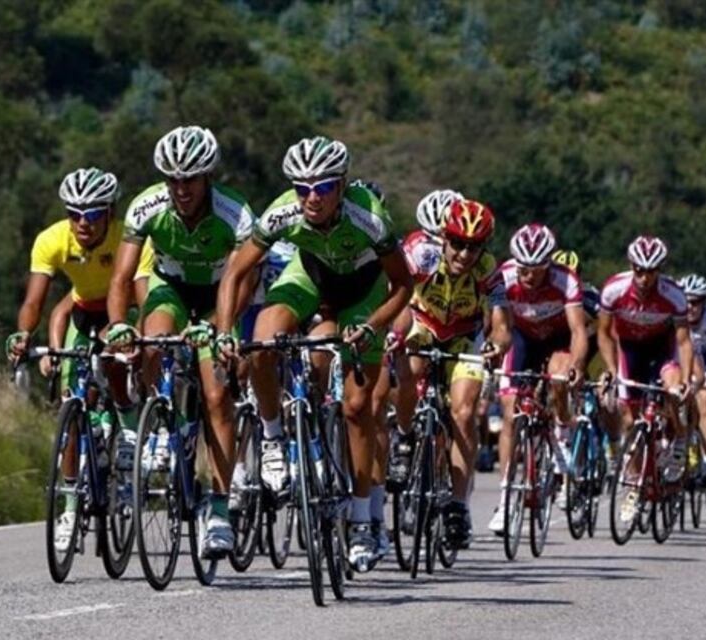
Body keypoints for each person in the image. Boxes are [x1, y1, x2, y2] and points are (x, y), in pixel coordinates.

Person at [215, 136, 414, 571]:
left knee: (359, 407)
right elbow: (237, 272)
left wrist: (372, 326)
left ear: (341, 185)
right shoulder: (283, 210)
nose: (311, 197)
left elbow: (404, 285)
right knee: (265, 339)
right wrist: (226, 331)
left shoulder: (369, 217)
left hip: (364, 295)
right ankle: (272, 439)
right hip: (310, 277)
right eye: (302, 188)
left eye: (321, 187)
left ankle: (363, 520)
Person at [105, 125, 255, 558]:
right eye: (172, 179)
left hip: (217, 295)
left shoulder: (234, 212)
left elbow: (247, 276)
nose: (180, 188)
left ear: (208, 176)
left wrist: (219, 323)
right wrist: (118, 325)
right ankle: (158, 426)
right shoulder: (147, 206)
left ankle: (220, 509)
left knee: (215, 394)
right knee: (152, 340)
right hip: (170, 288)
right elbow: (121, 277)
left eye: (189, 178)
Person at [6, 167, 142, 552]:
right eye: (75, 214)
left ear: (111, 212)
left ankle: (129, 425)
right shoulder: (51, 240)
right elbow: (36, 302)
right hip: (84, 313)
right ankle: (68, 507)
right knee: (72, 406)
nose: (83, 223)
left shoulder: (126, 235)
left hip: (122, 311)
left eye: (94, 214)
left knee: (114, 363)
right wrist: (23, 336)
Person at [388, 199, 511, 549]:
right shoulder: (420, 253)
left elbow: (501, 322)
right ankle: (403, 434)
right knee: (409, 366)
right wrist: (395, 335)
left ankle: (458, 505)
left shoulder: (489, 269)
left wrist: (498, 344)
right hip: (421, 323)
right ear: (444, 238)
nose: (464, 254)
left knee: (464, 412)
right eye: (457, 243)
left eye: (474, 246)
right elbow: (398, 297)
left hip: (464, 335)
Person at [486, 224, 588, 533]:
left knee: (559, 376)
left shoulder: (565, 280)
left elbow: (578, 331)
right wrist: (496, 350)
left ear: (549, 264)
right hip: (520, 338)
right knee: (508, 412)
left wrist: (578, 364)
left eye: (537, 270)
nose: (529, 277)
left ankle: (561, 429)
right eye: (524, 270)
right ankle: (505, 501)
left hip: (555, 339)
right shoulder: (504, 276)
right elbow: (500, 326)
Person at [597, 236, 694, 522]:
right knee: (629, 419)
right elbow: (603, 333)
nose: (644, 276)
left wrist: (686, 380)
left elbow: (684, 340)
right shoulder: (614, 289)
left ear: (660, 270)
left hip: (663, 351)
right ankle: (632, 486)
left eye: (651, 271)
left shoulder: (673, 295)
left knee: (674, 389)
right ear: (631, 265)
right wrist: (613, 370)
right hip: (629, 351)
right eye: (639, 269)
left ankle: (678, 439)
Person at [679, 274, 706, 481]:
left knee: (704, 400)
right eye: (685, 301)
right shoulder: (675, 322)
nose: (690, 307)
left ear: (704, 303)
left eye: (695, 302)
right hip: (687, 368)